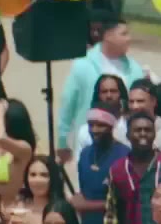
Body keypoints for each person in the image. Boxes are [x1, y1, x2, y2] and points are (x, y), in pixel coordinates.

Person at [56, 18, 147, 164]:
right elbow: (68, 102)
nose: (129, 39)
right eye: (123, 34)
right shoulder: (83, 65)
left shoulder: (135, 69)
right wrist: (63, 141)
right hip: (90, 140)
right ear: (108, 36)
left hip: (123, 142)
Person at [67, 73, 130, 156]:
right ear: (98, 95)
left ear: (121, 94)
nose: (109, 96)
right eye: (104, 92)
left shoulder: (129, 126)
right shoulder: (85, 131)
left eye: (113, 91)